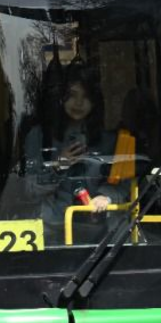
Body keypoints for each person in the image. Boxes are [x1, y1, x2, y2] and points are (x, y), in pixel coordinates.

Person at [22, 69, 120, 228]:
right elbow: (28, 191)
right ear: (60, 98)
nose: (79, 103)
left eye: (86, 96)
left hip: (99, 231)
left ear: (95, 101)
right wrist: (57, 167)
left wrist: (106, 197)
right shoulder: (40, 136)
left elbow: (125, 182)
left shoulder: (107, 140)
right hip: (50, 228)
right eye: (72, 95)